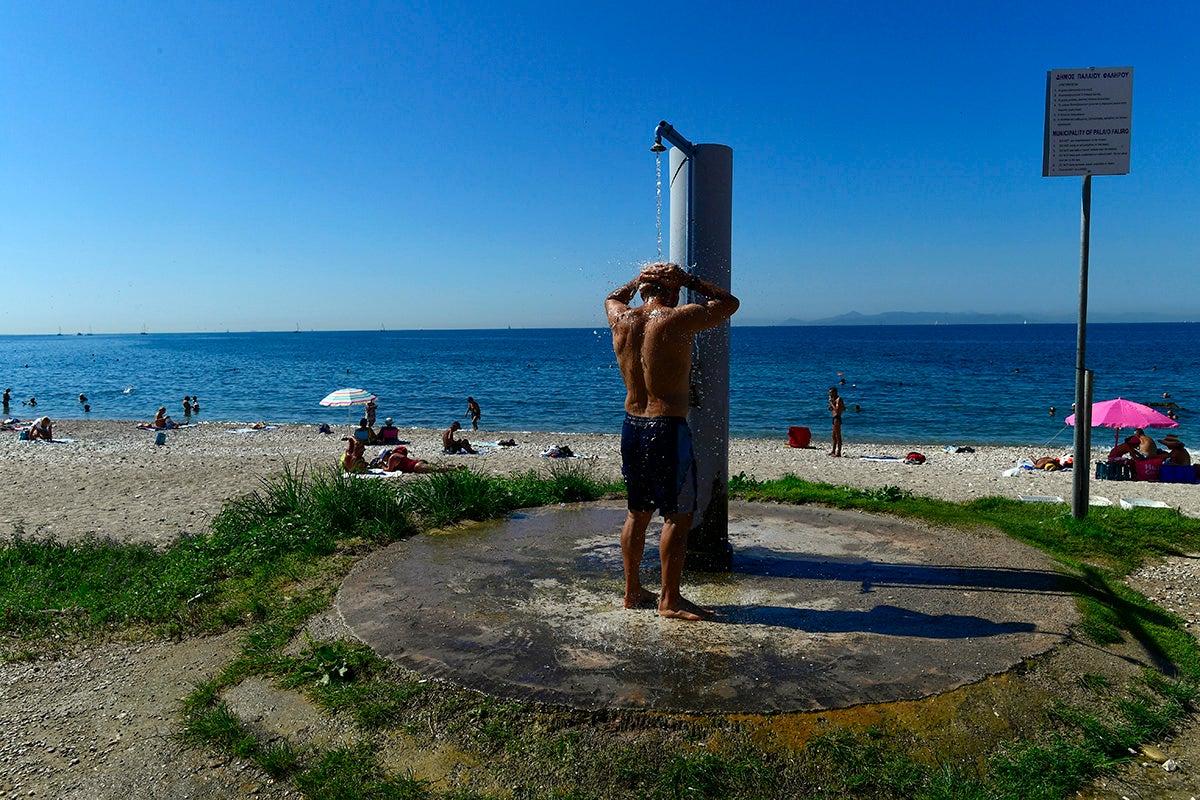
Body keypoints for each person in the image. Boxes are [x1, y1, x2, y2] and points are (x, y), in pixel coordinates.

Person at [606, 261, 739, 621]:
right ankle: (669, 600)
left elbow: (612, 297)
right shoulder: (680, 317)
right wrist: (692, 278)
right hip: (667, 429)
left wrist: (638, 278)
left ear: (645, 289)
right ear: (673, 290)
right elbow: (729, 303)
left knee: (637, 512)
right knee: (678, 516)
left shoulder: (620, 319)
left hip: (632, 426)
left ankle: (632, 590)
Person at [384, 445, 458, 474]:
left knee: (438, 469)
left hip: (416, 466)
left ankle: (455, 468)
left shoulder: (392, 458)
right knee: (437, 466)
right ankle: (455, 466)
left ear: (385, 456)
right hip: (417, 462)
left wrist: (382, 466)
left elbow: (389, 470)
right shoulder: (396, 454)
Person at [828, 386, 846, 457]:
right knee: (833, 436)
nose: (830, 394)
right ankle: (833, 450)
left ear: (835, 392)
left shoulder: (838, 399)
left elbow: (838, 410)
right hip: (834, 418)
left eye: (831, 393)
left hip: (837, 418)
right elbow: (843, 408)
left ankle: (838, 452)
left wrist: (831, 403)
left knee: (838, 436)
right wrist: (832, 407)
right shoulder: (835, 400)